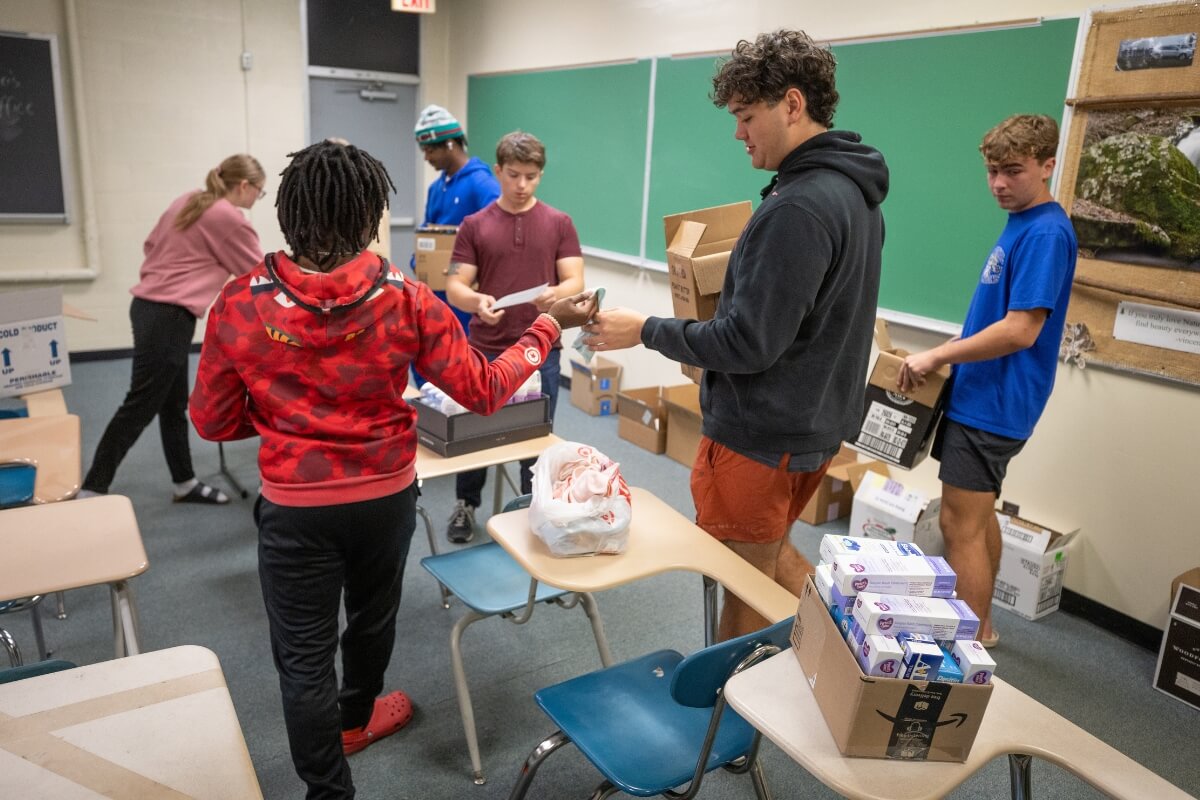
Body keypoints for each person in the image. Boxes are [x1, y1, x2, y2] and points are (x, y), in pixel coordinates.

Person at [188, 140, 596, 800]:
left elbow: (211, 420)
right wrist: (545, 329)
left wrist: (283, 419)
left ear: (288, 214)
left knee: (302, 656)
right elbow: (485, 389)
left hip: (294, 505)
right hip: (383, 497)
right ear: (369, 216)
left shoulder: (240, 301)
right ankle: (356, 717)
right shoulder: (404, 296)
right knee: (373, 618)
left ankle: (329, 789)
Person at [582, 30, 889, 640]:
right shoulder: (854, 194)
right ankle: (853, 653)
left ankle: (728, 713)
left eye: (747, 116)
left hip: (762, 435)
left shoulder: (798, 208)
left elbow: (748, 343)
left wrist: (644, 329)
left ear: (793, 105)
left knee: (742, 581)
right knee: (770, 554)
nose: (738, 132)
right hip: (811, 423)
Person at [897, 114, 1077, 648]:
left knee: (960, 527)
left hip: (996, 403)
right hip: (983, 395)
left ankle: (966, 651)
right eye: (992, 172)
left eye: (1013, 171)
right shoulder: (1023, 221)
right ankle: (986, 629)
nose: (999, 183)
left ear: (1048, 165)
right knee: (977, 516)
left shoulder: (1045, 231)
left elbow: (1022, 330)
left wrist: (939, 356)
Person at [79, 154, 265, 504]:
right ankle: (92, 488)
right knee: (140, 405)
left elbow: (150, 245)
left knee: (172, 403)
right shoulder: (229, 218)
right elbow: (259, 274)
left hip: (151, 310)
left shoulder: (189, 200)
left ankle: (184, 482)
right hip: (168, 316)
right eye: (260, 191)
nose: (258, 198)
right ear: (244, 185)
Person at [442, 130, 585, 544]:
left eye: (532, 176)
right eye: (514, 175)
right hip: (486, 348)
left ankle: (530, 511)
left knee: (535, 438)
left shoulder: (559, 223)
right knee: (474, 434)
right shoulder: (475, 225)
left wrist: (556, 293)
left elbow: (575, 278)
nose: (522, 185)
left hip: (541, 350)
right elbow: (456, 286)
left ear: (540, 175)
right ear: (498, 171)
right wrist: (476, 300)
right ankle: (466, 505)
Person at [413, 104, 500, 333]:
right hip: (437, 295)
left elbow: (497, 236)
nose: (426, 157)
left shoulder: (482, 184)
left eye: (429, 150)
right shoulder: (436, 188)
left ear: (450, 144)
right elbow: (427, 231)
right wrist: (419, 262)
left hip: (466, 302)